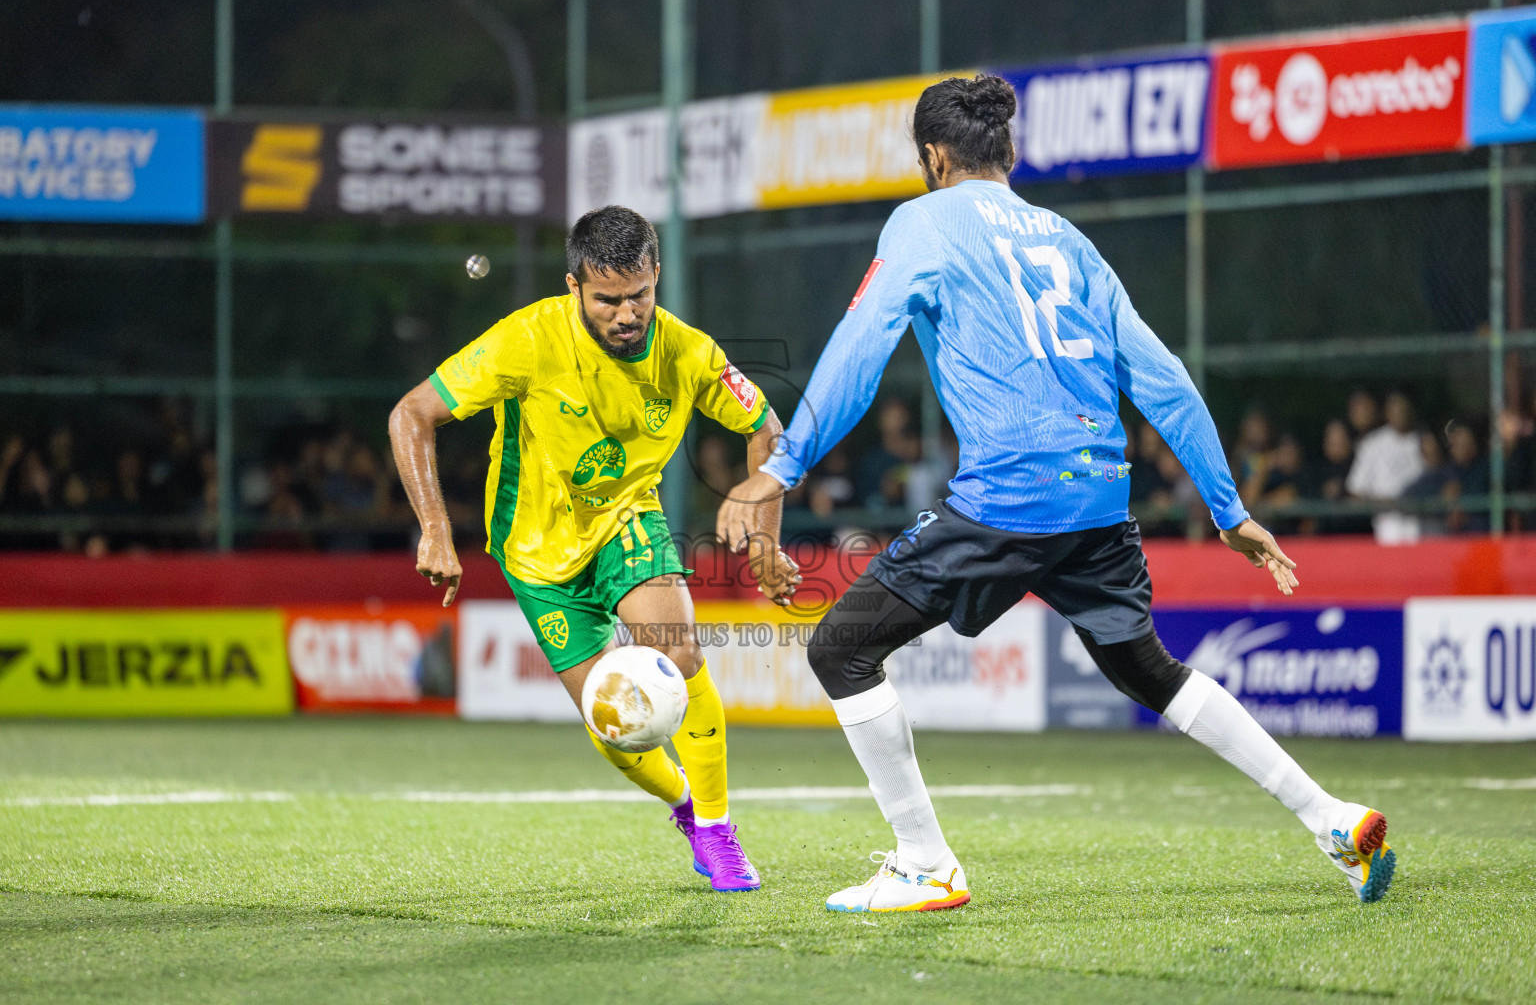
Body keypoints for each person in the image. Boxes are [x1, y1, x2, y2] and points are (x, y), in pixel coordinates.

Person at [718, 75, 1394, 913]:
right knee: (1151, 671)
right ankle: (1330, 816)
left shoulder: (923, 222)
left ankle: (926, 862)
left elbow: (862, 348)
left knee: (841, 649)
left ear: (932, 157)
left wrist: (781, 469)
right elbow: (1167, 381)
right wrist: (1232, 510)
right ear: (1013, 152)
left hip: (1009, 495)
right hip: (1100, 499)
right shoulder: (1069, 241)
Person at [389, 206, 796, 893]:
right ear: (574, 286)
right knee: (613, 719)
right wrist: (433, 525)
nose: (627, 313)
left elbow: (767, 429)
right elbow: (412, 414)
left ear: (657, 276)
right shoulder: (527, 339)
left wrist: (764, 541)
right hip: (533, 549)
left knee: (682, 651)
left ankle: (722, 832)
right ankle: (688, 811)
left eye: (640, 294)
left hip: (628, 519)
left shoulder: (690, 352)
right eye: (608, 299)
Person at [1347, 391, 1425, 544]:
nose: (1399, 414)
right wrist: (1382, 502)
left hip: (1420, 522)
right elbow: (1355, 491)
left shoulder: (1423, 441)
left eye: (1402, 409)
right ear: (1386, 413)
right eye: (1394, 410)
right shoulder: (1372, 443)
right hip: (1385, 525)